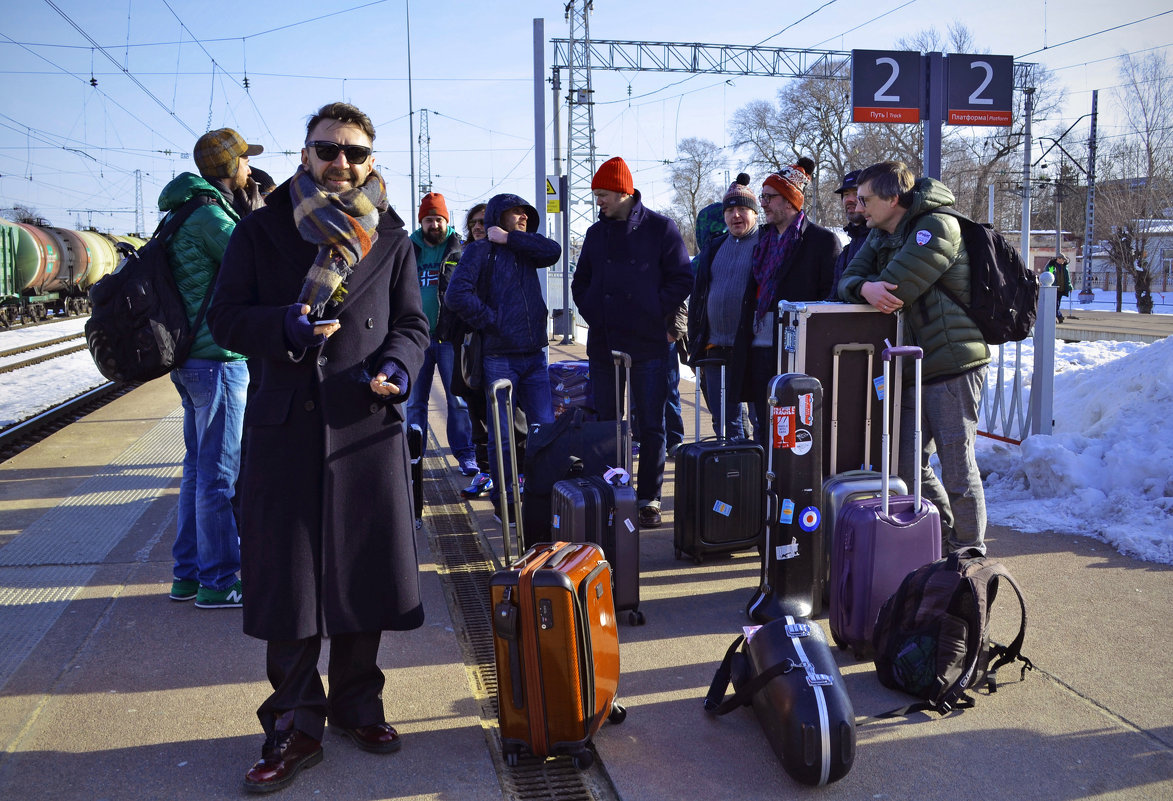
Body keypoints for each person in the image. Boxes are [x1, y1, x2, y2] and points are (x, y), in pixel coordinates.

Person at [206, 101, 429, 793]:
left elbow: (414, 324)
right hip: (287, 427)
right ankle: (295, 724)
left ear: (372, 159)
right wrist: (286, 327)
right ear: (305, 155)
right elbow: (225, 317)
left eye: (354, 153)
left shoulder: (391, 233)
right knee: (292, 584)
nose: (341, 163)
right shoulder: (263, 227)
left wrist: (396, 367)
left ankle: (360, 703)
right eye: (327, 149)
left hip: (364, 424)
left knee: (362, 575)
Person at [837, 161, 990, 555]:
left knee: (957, 466)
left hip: (953, 364)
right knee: (907, 466)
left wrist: (870, 286)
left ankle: (971, 550)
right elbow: (846, 281)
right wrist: (864, 288)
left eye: (866, 200)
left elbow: (897, 289)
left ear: (893, 198)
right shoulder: (882, 232)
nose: (858, 207)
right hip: (913, 365)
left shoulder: (938, 226)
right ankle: (942, 535)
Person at [162, 127, 261, 609]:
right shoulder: (210, 217)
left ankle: (187, 576)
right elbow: (255, 261)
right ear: (230, 166)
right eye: (245, 162)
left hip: (192, 362)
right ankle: (219, 581)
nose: (250, 170)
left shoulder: (185, 210)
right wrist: (256, 216)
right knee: (218, 477)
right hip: (219, 360)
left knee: (197, 473)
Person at [571, 156, 693, 528]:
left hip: (649, 344)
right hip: (605, 342)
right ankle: (610, 493)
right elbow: (581, 283)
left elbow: (681, 278)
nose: (599, 202)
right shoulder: (595, 234)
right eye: (596, 195)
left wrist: (654, 313)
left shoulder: (661, 228)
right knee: (607, 421)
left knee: (651, 424)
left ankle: (648, 498)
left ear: (623, 192)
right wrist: (597, 314)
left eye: (603, 194)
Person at [445, 193, 561, 523]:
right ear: (499, 214)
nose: (523, 216)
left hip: (534, 356)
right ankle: (505, 503)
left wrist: (512, 238)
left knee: (544, 431)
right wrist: (491, 321)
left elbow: (553, 251)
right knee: (503, 437)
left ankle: (542, 500)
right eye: (515, 213)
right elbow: (456, 295)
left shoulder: (525, 249)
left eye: (526, 213)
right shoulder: (480, 251)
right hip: (499, 358)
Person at [688, 174, 767, 443]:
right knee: (725, 422)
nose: (736, 216)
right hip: (715, 349)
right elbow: (699, 297)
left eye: (742, 210)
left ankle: (762, 477)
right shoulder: (714, 247)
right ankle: (734, 472)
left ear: (754, 213)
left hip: (754, 349)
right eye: (730, 210)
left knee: (761, 420)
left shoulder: (767, 244)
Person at [406, 192, 477, 476]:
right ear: (420, 221)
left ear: (446, 221)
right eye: (428, 220)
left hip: (450, 338)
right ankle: (413, 456)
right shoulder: (408, 249)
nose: (433, 225)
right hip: (416, 337)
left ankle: (465, 455)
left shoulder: (458, 249)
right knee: (414, 403)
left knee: (457, 400)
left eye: (438, 219)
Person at [828, 168, 867, 300]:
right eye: (845, 194)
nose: (849, 200)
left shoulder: (879, 240)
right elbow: (835, 298)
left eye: (855, 193)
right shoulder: (846, 251)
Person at [1046, 254, 1073, 322]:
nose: (1064, 261)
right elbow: (1049, 275)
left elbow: (1067, 278)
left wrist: (1070, 287)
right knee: (1055, 304)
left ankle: (1056, 317)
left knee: (1057, 304)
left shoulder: (1064, 267)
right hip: (1053, 288)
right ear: (1058, 259)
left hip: (1061, 288)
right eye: (1062, 259)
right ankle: (1059, 316)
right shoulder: (1052, 266)